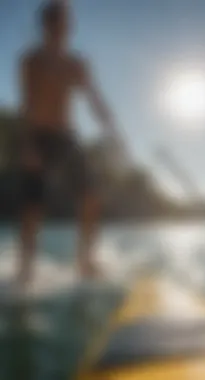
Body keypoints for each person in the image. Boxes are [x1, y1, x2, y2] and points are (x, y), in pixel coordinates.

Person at [17, 0, 120, 288]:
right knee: (32, 205)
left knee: (91, 193)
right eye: (59, 21)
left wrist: (109, 123)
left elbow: (93, 97)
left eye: (66, 22)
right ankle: (25, 269)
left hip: (66, 137)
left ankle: (84, 261)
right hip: (38, 136)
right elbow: (27, 105)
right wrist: (27, 146)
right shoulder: (30, 60)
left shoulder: (76, 63)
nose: (64, 27)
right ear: (46, 25)